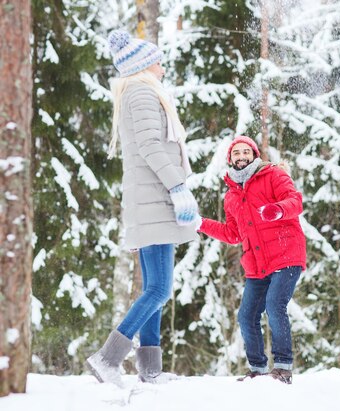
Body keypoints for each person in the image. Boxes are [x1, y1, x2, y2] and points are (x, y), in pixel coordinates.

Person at [85, 30, 200, 387]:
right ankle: (108, 358)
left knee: (155, 286)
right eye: (158, 60)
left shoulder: (141, 92)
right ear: (142, 64)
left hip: (152, 202)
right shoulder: (141, 92)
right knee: (160, 289)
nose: (162, 66)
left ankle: (150, 369)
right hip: (155, 199)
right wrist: (177, 184)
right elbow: (152, 146)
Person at [197, 135, 306, 384]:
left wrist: (277, 209)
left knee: (274, 305)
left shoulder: (273, 175)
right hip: (257, 264)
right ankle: (257, 368)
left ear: (254, 155)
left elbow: (295, 201)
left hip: (285, 253)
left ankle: (283, 367)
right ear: (230, 159)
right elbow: (233, 233)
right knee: (246, 316)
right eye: (237, 153)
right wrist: (201, 224)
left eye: (246, 152)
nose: (241, 156)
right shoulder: (231, 196)